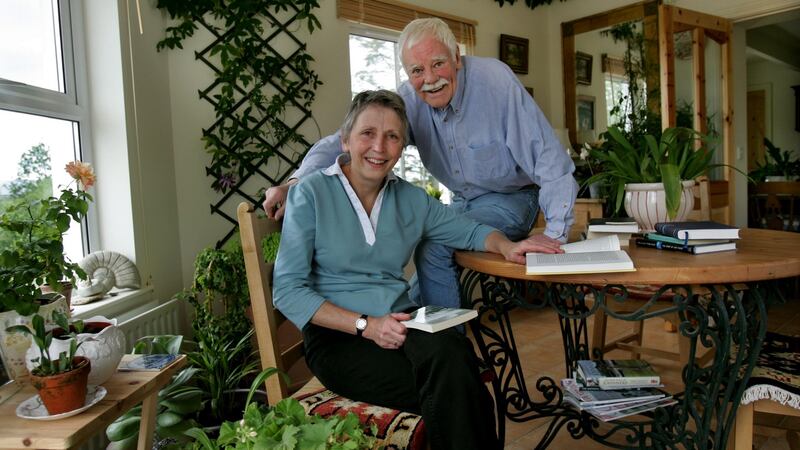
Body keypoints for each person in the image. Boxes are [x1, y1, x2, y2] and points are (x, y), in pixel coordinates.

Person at [272, 90, 562, 450]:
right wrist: (366, 325)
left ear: (402, 146)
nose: (379, 146)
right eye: (368, 133)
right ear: (344, 140)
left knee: (451, 355)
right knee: (462, 385)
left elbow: (468, 229)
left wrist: (507, 245)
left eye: (392, 136)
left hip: (402, 324)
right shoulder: (311, 194)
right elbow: (287, 289)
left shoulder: (409, 199)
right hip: (340, 338)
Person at [266, 18, 577, 310]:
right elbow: (345, 140)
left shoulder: (495, 81)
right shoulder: (409, 101)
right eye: (417, 70)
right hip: (461, 201)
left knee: (433, 247)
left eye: (438, 64)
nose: (429, 79)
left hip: (513, 197)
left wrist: (554, 234)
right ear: (407, 73)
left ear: (456, 57)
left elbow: (549, 158)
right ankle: (416, 341)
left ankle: (445, 347)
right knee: (417, 266)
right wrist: (295, 182)